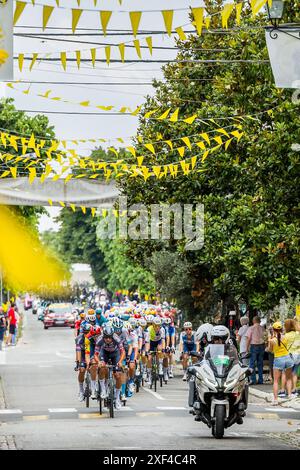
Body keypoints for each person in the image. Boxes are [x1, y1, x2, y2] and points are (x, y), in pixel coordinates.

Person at [94, 324, 125, 410]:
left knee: (118, 375)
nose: (108, 339)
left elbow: (122, 352)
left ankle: (117, 398)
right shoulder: (99, 340)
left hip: (115, 354)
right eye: (106, 337)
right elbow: (96, 354)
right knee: (102, 368)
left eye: (110, 337)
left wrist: (120, 362)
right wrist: (99, 362)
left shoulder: (117, 339)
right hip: (104, 353)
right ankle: (103, 389)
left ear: (112, 336)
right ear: (103, 336)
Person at [268, 321, 294, 405]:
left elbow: (270, 350)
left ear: (274, 330)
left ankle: (275, 400)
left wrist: (270, 339)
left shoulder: (272, 340)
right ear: (281, 329)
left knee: (276, 381)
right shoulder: (286, 337)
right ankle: (289, 395)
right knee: (289, 378)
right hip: (287, 358)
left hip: (278, 359)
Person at [246, 316, 265, 385]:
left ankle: (253, 380)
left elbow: (248, 339)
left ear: (253, 321)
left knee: (252, 363)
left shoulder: (251, 328)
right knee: (260, 363)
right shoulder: (263, 328)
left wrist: (247, 348)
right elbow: (265, 337)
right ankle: (261, 380)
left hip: (254, 346)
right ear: (259, 321)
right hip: (262, 346)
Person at [283, 319, 300, 397]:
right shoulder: (298, 334)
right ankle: (294, 389)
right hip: (298, 355)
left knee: (287, 373)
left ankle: (286, 390)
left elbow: (283, 346)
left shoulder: (286, 335)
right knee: (295, 373)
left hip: (289, 355)